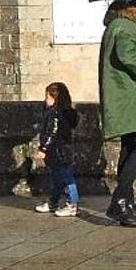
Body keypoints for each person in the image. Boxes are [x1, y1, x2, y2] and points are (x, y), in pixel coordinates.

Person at [97, 0, 136, 228]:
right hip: (129, 97)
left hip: (124, 97)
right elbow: (127, 55)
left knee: (130, 147)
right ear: (131, 8)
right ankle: (120, 199)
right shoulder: (125, 27)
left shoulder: (119, 26)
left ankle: (127, 202)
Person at [32, 81, 79, 217]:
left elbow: (52, 132)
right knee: (57, 177)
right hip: (64, 148)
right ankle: (53, 202)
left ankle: (72, 204)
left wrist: (43, 148)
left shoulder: (55, 113)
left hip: (58, 149)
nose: (45, 100)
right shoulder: (68, 112)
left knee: (66, 177)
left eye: (47, 97)